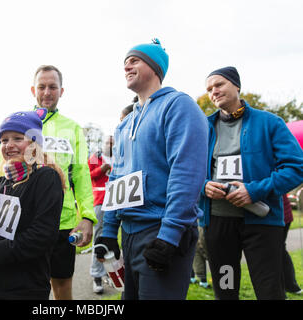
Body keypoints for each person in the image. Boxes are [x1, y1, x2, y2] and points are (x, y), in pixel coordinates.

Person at [95, 38, 209, 300]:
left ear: (155, 67)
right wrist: (110, 232)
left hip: (163, 230)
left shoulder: (179, 105)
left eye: (134, 60)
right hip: (130, 233)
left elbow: (186, 174)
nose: (126, 67)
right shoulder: (125, 123)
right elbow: (116, 177)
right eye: (124, 63)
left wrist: (169, 236)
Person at [0, 65, 97, 300]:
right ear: (33, 89)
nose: (47, 92)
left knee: (63, 288)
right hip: (20, 223)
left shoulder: (73, 129)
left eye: (53, 87)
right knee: (25, 288)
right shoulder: (14, 123)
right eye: (42, 86)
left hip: (62, 223)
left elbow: (82, 174)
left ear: (61, 90)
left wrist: (87, 216)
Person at [200, 66, 303, 300]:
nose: (213, 91)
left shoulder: (270, 123)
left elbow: (296, 168)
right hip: (218, 224)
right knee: (225, 287)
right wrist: (203, 186)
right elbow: (186, 171)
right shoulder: (202, 127)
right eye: (208, 89)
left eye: (219, 85)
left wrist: (255, 190)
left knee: (269, 290)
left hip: (262, 224)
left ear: (236, 85)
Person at [0, 109, 65, 300]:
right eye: (4, 140)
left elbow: (42, 235)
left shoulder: (46, 178)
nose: (9, 145)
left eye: (17, 138)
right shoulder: (1, 183)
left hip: (26, 286)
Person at [88, 135, 114, 294]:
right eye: (107, 142)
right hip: (100, 201)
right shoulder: (95, 157)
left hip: (117, 202)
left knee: (113, 239)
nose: (110, 145)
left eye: (112, 143)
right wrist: (103, 168)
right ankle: (97, 275)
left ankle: (111, 273)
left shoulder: (120, 157)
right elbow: (88, 176)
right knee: (99, 238)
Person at [282, 194, 302, 295]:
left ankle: (289, 287)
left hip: (281, 217)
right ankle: (291, 286)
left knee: (277, 251)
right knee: (280, 251)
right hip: (282, 215)